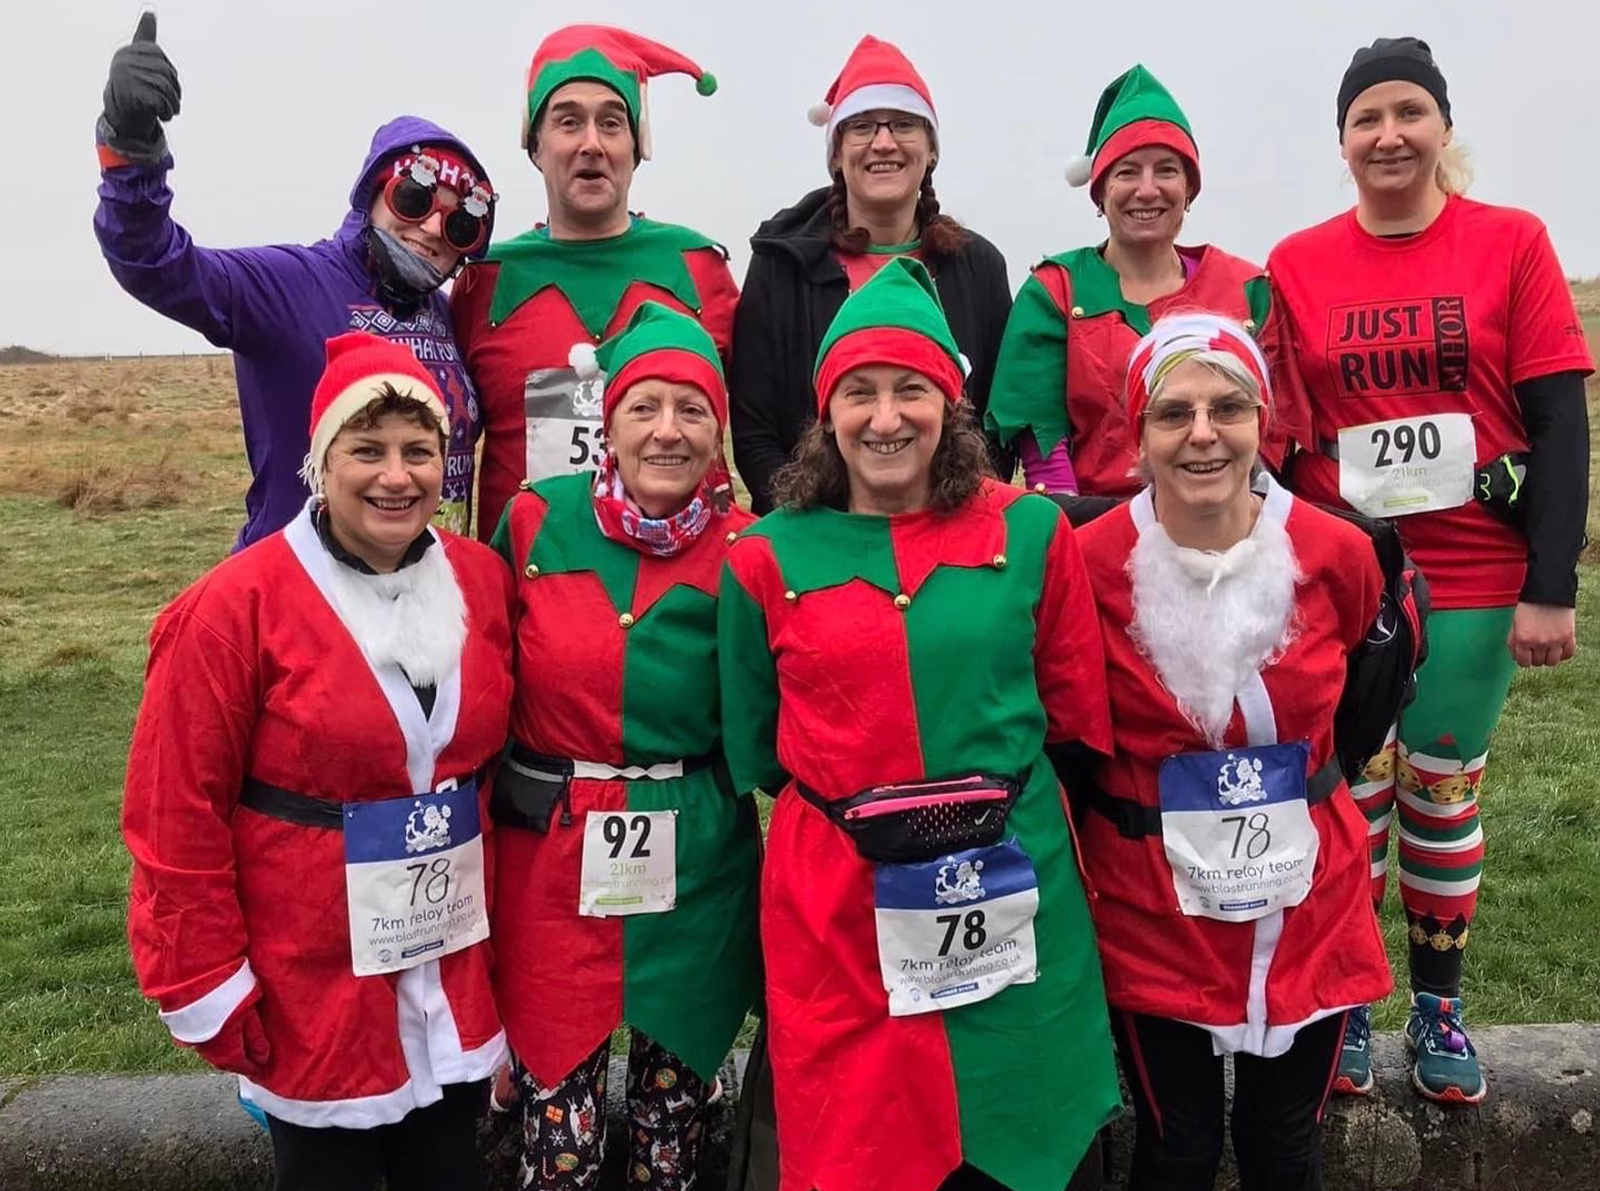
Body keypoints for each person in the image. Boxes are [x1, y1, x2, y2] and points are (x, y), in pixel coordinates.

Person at [719, 257, 1120, 1191]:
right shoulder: (762, 559)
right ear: (827, 412)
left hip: (1013, 875)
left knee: (1020, 1134)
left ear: (951, 403)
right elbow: (758, 745)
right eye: (859, 392)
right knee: (862, 1143)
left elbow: (1071, 709)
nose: (886, 417)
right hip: (840, 901)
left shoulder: (1032, 532)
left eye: (911, 389)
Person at [1266, 36, 1593, 1105]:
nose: (1388, 134)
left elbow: (1559, 421)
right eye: (1366, 118)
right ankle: (1351, 1004)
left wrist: (1552, 584)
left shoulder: (1511, 242)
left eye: (1409, 111)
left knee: (1441, 793)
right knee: (1351, 798)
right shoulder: (1298, 262)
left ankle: (1438, 1007)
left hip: (1476, 579)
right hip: (1350, 580)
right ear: (1342, 141)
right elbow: (1279, 431)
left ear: (1443, 127)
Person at [123, 333, 514, 1191]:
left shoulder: (483, 580)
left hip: (452, 960)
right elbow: (173, 810)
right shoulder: (234, 608)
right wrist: (204, 977)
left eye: (419, 451)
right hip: (311, 979)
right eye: (366, 449)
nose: (396, 476)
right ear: (321, 461)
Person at [1073, 313, 1394, 1191]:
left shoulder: (1340, 550)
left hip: (1307, 904)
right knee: (1176, 1146)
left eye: (1228, 408)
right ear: (1138, 433)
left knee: (1284, 1143)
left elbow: (1360, 696)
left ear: (1263, 420)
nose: (1203, 433)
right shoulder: (1088, 563)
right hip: (1152, 909)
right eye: (1174, 413)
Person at [488, 303, 760, 1189]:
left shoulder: (748, 550)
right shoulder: (534, 521)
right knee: (557, 1128)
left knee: (670, 1129)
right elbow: (484, 678)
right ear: (608, 422)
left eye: (693, 409)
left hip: (696, 857)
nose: (667, 430)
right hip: (552, 853)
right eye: (645, 406)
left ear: (718, 431)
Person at [93, 14, 496, 547]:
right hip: (299, 584)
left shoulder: (447, 314)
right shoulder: (288, 285)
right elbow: (157, 263)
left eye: (460, 224)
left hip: (426, 583)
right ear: (372, 194)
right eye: (413, 199)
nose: (432, 229)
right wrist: (130, 151)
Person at [452, 24, 740, 541]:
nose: (592, 143)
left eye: (611, 123)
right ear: (535, 146)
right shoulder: (483, 279)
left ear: (637, 146)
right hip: (526, 575)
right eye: (569, 122)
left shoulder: (699, 269)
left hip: (688, 579)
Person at [730, 34, 1012, 513]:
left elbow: (993, 430)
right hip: (810, 530)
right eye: (861, 126)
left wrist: (958, 523)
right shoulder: (781, 266)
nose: (884, 142)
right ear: (836, 154)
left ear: (931, 149)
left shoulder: (979, 267)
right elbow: (754, 430)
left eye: (904, 124)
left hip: (947, 526)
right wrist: (806, 527)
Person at [985, 66, 1279, 497]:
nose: (1147, 190)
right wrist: (1078, 527)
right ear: (1100, 191)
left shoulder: (1246, 288)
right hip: (1093, 520)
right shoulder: (1056, 292)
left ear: (1189, 189)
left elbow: (1269, 438)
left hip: (1227, 515)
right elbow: (1043, 443)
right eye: (1127, 172)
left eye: (1166, 170)